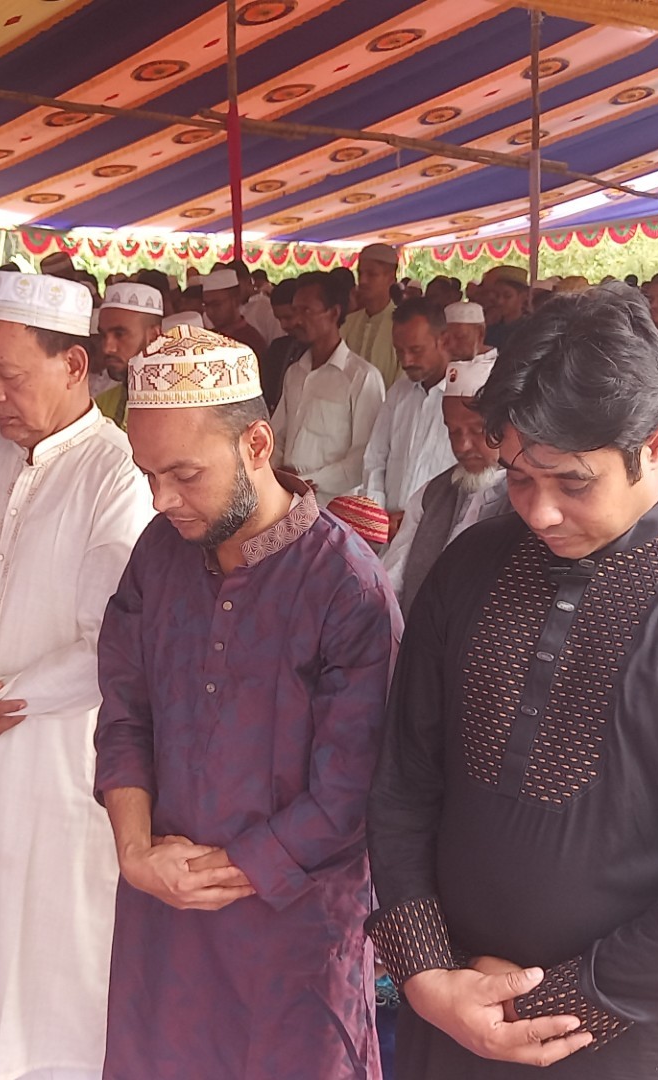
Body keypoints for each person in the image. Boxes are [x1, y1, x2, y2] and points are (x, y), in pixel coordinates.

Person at [367, 287, 658, 1079]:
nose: (540, 512)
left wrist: (559, 1005)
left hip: (633, 1039)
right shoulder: (469, 568)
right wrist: (424, 971)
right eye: (520, 478)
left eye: (573, 483)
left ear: (656, 443)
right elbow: (403, 783)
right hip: (450, 1016)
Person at [96, 324, 396, 1078]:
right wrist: (136, 855)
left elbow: (350, 792)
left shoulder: (347, 588)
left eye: (184, 474)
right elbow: (125, 716)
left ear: (256, 444)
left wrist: (221, 872)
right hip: (164, 921)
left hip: (293, 941)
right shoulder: (157, 554)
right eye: (147, 474)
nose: (161, 499)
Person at [0, 271, 154, 1080]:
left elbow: (108, 644)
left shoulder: (117, 474)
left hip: (61, 766)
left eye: (9, 376)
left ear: (74, 366)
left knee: (57, 977)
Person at [379, 353, 508, 612]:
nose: (462, 445)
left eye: (477, 430)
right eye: (453, 431)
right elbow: (390, 586)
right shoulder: (431, 496)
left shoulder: (526, 502)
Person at [272, 272, 384, 506]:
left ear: (333, 313)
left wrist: (307, 481)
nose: (296, 320)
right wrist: (278, 476)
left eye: (306, 311)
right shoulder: (295, 372)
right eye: (295, 311)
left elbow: (363, 457)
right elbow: (278, 434)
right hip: (287, 500)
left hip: (333, 506)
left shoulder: (362, 377)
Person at [362, 299, 456, 540]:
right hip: (389, 532)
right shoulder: (398, 393)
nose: (406, 361)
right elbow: (375, 459)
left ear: (444, 340)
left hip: (439, 533)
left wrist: (419, 519)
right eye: (399, 351)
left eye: (416, 350)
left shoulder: (465, 398)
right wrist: (379, 518)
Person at [93, 283, 164, 428]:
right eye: (103, 335)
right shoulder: (101, 405)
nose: (107, 348)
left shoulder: (178, 408)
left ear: (153, 337)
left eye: (119, 334)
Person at [340, 244, 401, 386]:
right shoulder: (348, 323)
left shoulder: (402, 326)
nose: (363, 281)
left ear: (391, 278)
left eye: (372, 274)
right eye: (360, 273)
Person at [201, 268, 268, 361]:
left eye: (216, 304)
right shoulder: (206, 338)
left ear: (235, 301)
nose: (210, 311)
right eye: (206, 305)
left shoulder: (252, 341)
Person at [259, 277, 302, 411]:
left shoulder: (318, 352)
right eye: (279, 319)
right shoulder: (278, 347)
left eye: (288, 317)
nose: (284, 325)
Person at [478, 265, 533, 347]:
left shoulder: (530, 328)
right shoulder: (492, 329)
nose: (500, 301)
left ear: (523, 296)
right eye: (497, 295)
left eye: (507, 296)